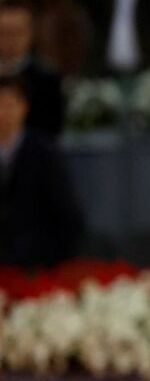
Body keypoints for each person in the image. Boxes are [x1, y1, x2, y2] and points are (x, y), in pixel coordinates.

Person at [0, 75, 82, 267]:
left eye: (9, 105)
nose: (3, 113)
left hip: (36, 264)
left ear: (24, 107)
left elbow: (68, 213)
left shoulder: (44, 152)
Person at [0, 5, 64, 137]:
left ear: (30, 34)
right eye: (4, 32)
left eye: (16, 32)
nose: (10, 39)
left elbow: (52, 127)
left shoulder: (46, 77)